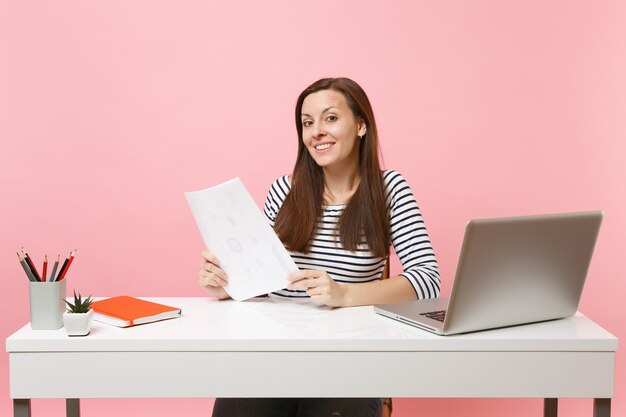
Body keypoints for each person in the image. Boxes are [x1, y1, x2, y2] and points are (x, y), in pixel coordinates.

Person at [199, 77, 440, 417]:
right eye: (307, 123)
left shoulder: (389, 190)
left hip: (349, 355)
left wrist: (344, 295)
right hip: (272, 351)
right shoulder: (285, 190)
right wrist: (229, 285)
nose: (317, 132)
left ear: (360, 125)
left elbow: (427, 281)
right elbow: (263, 279)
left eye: (330, 118)